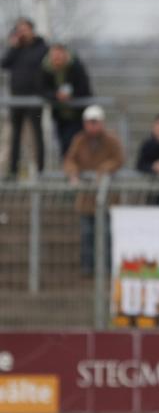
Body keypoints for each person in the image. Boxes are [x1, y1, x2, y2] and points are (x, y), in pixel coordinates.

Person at [63, 105, 123, 275]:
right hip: (86, 195)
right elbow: (70, 160)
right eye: (90, 122)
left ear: (102, 122)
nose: (93, 125)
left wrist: (102, 170)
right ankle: (88, 267)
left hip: (107, 195)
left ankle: (108, 267)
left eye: (95, 122)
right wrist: (73, 173)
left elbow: (118, 159)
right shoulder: (79, 140)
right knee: (87, 233)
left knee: (106, 233)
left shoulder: (111, 140)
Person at [2, 18, 48, 177]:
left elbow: (39, 63)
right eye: (19, 29)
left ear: (32, 30)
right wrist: (14, 46)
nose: (21, 32)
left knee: (36, 135)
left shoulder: (42, 47)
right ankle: (13, 171)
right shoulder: (16, 49)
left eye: (24, 29)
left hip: (34, 98)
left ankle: (39, 170)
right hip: (17, 98)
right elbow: (4, 63)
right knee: (14, 135)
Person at [39, 43, 92, 159]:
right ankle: (68, 168)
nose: (57, 58)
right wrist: (56, 95)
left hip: (78, 113)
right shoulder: (45, 68)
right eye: (54, 55)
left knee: (77, 143)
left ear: (65, 54)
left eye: (59, 54)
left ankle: (77, 167)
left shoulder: (76, 67)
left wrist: (71, 95)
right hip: (59, 114)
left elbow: (85, 88)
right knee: (64, 144)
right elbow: (42, 89)